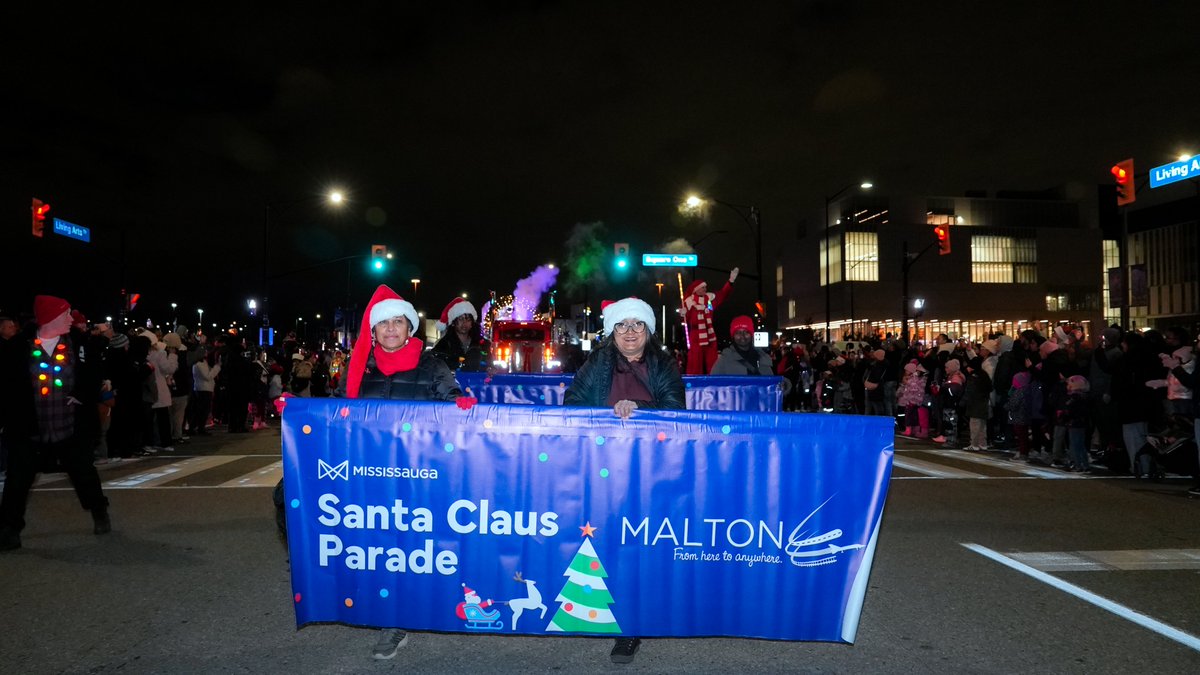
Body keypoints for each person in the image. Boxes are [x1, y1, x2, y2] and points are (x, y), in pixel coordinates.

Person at [334, 284, 470, 659]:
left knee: (411, 549)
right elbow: (335, 412)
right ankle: (389, 614)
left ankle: (402, 616)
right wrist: (297, 411)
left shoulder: (431, 364)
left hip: (418, 477)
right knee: (380, 548)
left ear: (409, 328)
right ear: (374, 331)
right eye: (384, 323)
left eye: (398, 322)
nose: (391, 329)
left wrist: (461, 404)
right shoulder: (358, 368)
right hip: (370, 475)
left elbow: (451, 397)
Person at [564, 297, 684, 663]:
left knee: (639, 546)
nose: (630, 332)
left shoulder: (663, 364)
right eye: (622, 325)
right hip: (602, 466)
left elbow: (676, 409)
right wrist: (607, 414)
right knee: (605, 543)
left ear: (648, 330)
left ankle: (631, 626)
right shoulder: (595, 363)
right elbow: (572, 405)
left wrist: (638, 408)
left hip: (650, 469)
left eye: (637, 324)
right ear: (611, 331)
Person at [0, 296, 111, 551]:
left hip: (69, 425)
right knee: (18, 480)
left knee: (84, 473)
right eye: (66, 314)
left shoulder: (78, 344)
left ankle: (99, 510)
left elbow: (93, 372)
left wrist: (82, 395)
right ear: (50, 317)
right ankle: (9, 528)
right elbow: (6, 384)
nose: (71, 319)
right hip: (30, 426)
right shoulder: (18, 346)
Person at [682, 268, 738, 375]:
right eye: (702, 287)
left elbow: (723, 294)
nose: (705, 289)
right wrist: (683, 313)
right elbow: (686, 319)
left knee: (712, 362)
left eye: (705, 287)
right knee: (695, 362)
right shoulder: (689, 302)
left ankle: (713, 379)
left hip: (710, 335)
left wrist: (730, 281)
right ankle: (694, 381)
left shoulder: (709, 300)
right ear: (696, 290)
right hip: (696, 336)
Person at [431, 297, 491, 372]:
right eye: (460, 319)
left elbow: (489, 364)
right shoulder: (443, 345)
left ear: (472, 323)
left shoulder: (482, 344)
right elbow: (435, 367)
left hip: (477, 379)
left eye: (468, 319)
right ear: (453, 323)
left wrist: (491, 369)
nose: (464, 323)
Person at [711, 315, 776, 376]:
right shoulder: (724, 361)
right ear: (733, 336)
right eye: (738, 333)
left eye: (746, 332)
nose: (742, 336)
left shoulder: (762, 358)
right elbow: (713, 382)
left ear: (752, 335)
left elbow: (772, 381)